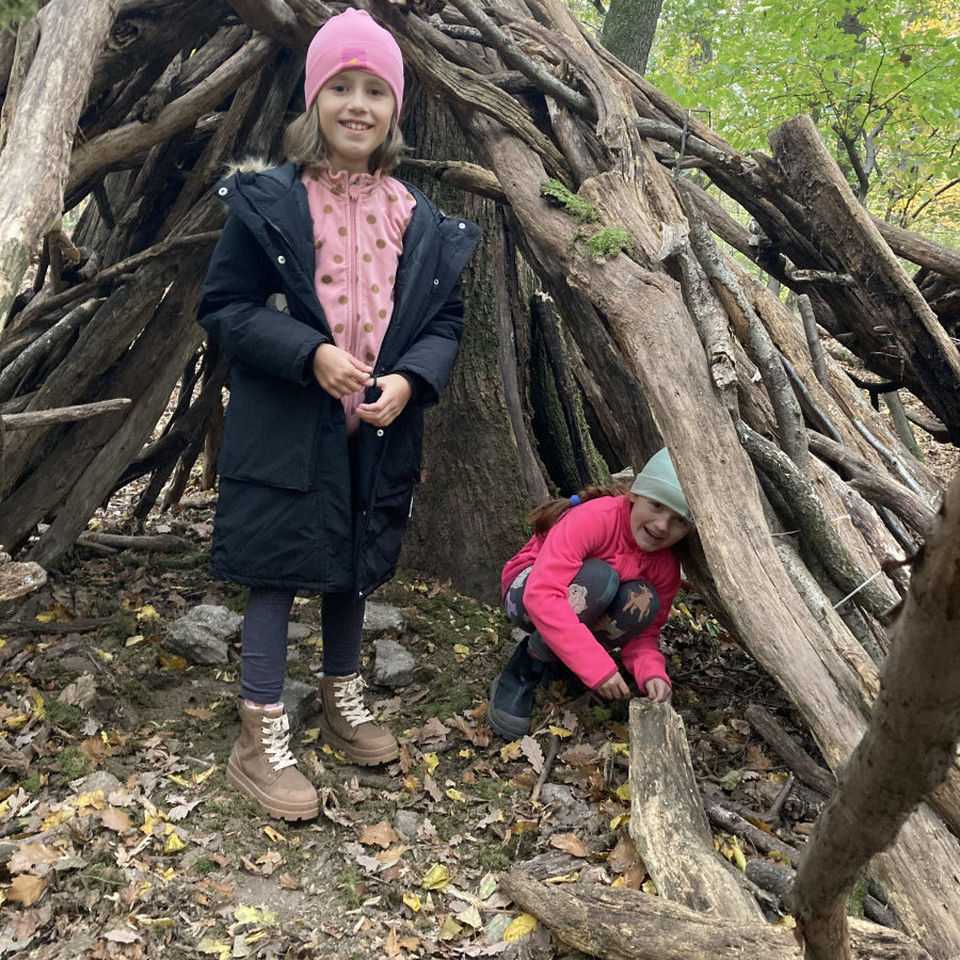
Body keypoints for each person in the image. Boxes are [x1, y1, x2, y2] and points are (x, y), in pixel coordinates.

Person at [197, 8, 479, 820]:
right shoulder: (270, 201)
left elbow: (444, 323)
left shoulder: (416, 215)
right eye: (341, 87)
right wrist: (307, 353)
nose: (358, 104)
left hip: (375, 425)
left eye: (375, 90)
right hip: (288, 423)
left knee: (354, 565)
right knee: (279, 568)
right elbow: (225, 306)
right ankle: (258, 729)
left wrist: (412, 380)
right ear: (314, 99)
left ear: (395, 108)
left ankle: (340, 695)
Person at [488, 448, 694, 740]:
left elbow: (645, 634)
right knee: (600, 579)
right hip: (527, 591)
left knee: (643, 599)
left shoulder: (666, 567)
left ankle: (563, 662)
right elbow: (541, 595)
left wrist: (651, 673)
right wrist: (596, 666)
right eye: (657, 506)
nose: (662, 526)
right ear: (635, 495)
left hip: (577, 604)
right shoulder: (597, 518)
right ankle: (523, 670)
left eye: (679, 521)